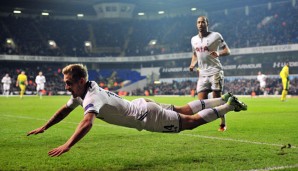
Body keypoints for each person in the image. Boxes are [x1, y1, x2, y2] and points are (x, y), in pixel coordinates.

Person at [27, 64, 247, 157]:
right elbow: (64, 110)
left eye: (68, 83)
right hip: (142, 104)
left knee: (189, 123)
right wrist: (45, 126)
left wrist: (67, 145)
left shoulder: (92, 96)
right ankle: (220, 100)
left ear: (81, 80)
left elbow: (87, 122)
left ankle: (229, 105)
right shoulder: (83, 92)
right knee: (182, 109)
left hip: (146, 116)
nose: (66, 87)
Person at [189, 16, 231, 132]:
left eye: (203, 22)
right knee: (201, 103)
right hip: (202, 74)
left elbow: (227, 51)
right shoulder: (193, 39)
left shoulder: (216, 36)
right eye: (198, 22)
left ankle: (223, 123)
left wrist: (218, 53)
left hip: (215, 71)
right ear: (196, 24)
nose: (200, 24)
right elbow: (195, 54)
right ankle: (199, 122)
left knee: (217, 101)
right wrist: (193, 64)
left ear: (207, 24)